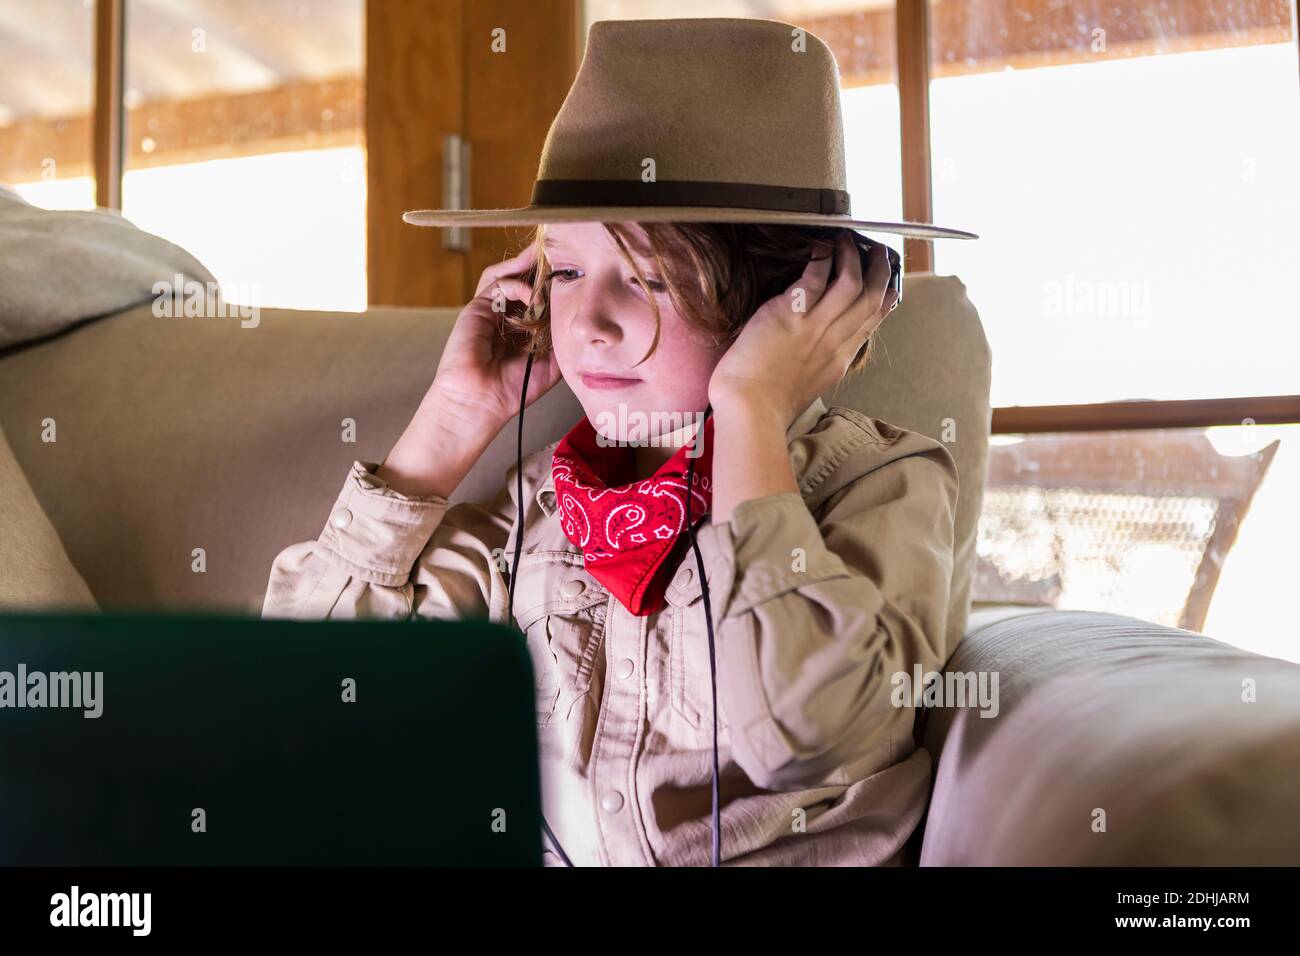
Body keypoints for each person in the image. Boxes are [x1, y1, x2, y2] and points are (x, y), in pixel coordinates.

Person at [263, 16, 975, 867]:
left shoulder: (881, 485)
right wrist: (456, 415)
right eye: (564, 272)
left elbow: (810, 733)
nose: (589, 324)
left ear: (794, 302)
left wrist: (748, 404)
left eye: (649, 277)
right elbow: (310, 693)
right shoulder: (539, 509)